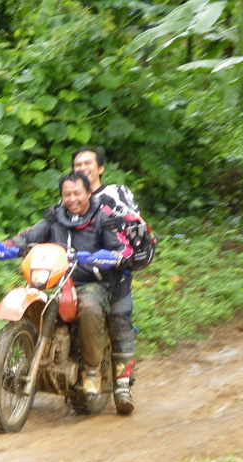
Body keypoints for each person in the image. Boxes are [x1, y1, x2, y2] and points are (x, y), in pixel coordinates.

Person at [0, 171, 133, 401]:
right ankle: (26, 353)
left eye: (77, 193)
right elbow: (29, 235)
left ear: (88, 193)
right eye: (67, 194)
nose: (72, 199)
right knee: (31, 302)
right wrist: (9, 246)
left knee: (90, 307)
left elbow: (120, 249)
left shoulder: (103, 218)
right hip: (54, 280)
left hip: (89, 282)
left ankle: (92, 370)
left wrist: (106, 256)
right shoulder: (54, 217)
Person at [71, 147, 152, 415]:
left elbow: (135, 226)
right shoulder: (71, 198)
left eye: (88, 163)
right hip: (79, 272)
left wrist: (117, 254)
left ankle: (123, 387)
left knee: (119, 319)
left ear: (100, 168)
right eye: (78, 164)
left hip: (116, 270)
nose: (83, 167)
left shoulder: (116, 194)